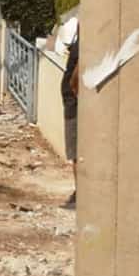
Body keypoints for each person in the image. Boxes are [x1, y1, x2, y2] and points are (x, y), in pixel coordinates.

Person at [61, 28, 79, 206]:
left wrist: (73, 92)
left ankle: (80, 193)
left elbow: (76, 75)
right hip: (72, 104)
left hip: (74, 107)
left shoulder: (83, 44)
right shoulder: (80, 42)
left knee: (76, 153)